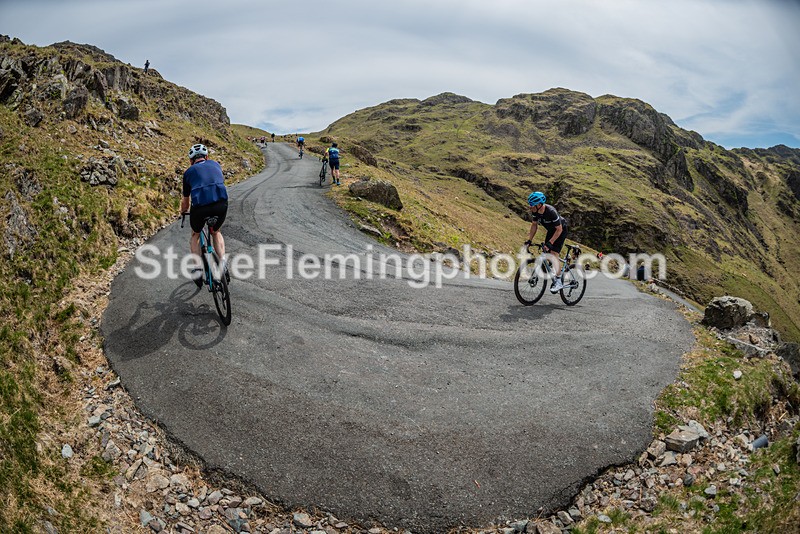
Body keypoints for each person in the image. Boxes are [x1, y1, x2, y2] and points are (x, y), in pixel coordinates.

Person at [181, 143, 229, 283]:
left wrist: (183, 211)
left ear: (191, 161)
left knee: (195, 234)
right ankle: (223, 264)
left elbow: (186, 201)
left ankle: (197, 269)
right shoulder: (215, 164)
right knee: (216, 231)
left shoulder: (188, 173)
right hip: (221, 204)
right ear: (207, 157)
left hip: (200, 208)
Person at [524, 191, 569, 292]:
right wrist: (529, 241)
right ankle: (554, 268)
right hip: (551, 231)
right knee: (546, 251)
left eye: (532, 205)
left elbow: (559, 229)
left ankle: (558, 282)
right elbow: (534, 225)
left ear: (539, 205)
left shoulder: (551, 211)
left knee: (553, 254)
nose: (530, 207)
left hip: (561, 230)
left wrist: (551, 242)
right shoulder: (535, 211)